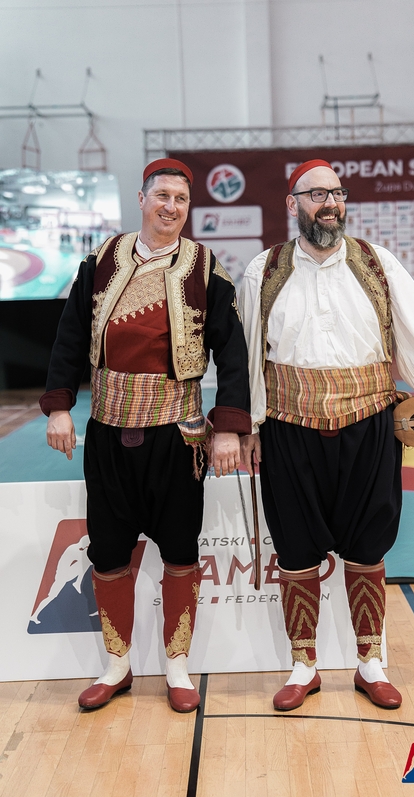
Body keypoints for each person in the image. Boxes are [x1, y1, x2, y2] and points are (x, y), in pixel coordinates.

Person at [239, 158, 414, 712]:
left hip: (370, 423)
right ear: (293, 204)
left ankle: (369, 663)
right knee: (295, 548)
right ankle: (303, 666)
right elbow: (245, 356)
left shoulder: (378, 264)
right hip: (288, 426)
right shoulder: (263, 270)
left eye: (336, 193)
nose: (329, 203)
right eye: (316, 195)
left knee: (368, 544)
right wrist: (248, 424)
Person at [40, 158, 251, 712]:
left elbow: (232, 353)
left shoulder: (206, 269)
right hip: (108, 433)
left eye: (180, 199)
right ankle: (117, 666)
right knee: (109, 553)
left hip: (177, 437)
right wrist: (58, 407)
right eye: (162, 196)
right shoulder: (100, 261)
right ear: (141, 199)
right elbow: (69, 336)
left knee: (180, 551)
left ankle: (178, 667)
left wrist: (229, 427)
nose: (170, 207)